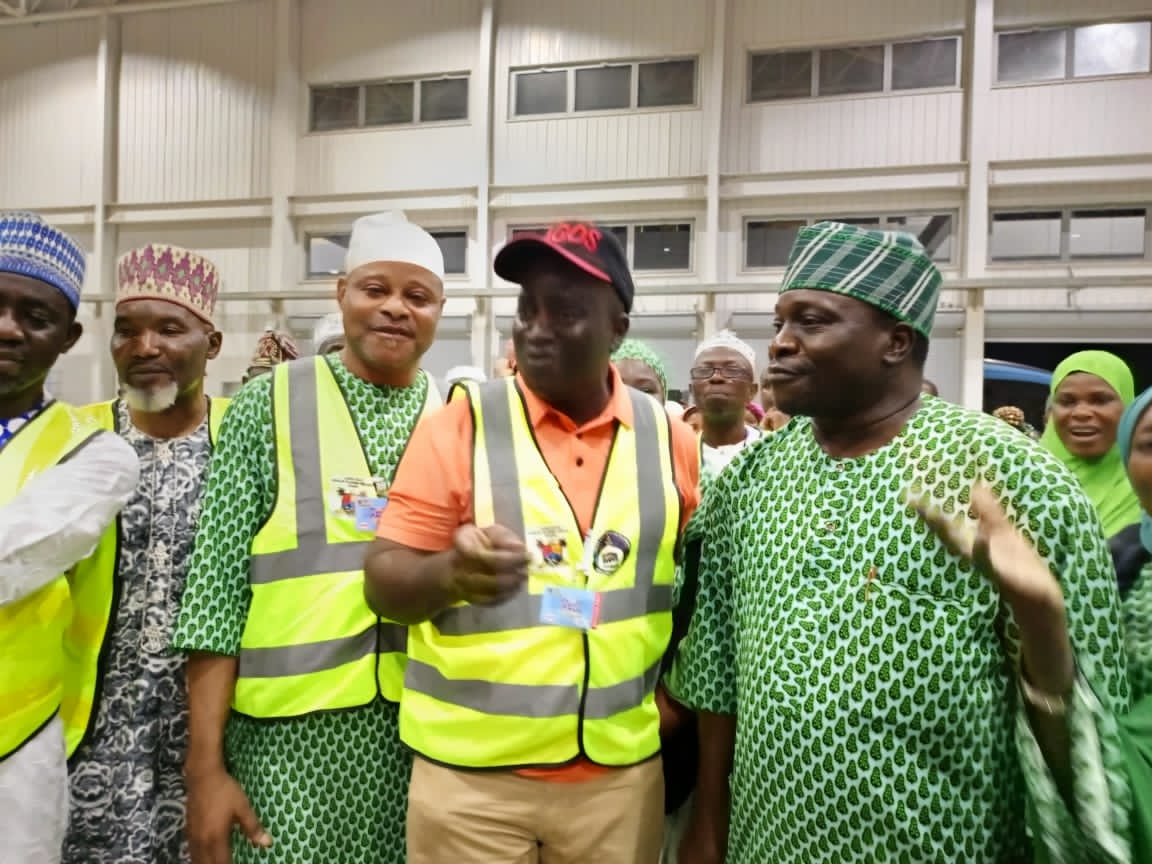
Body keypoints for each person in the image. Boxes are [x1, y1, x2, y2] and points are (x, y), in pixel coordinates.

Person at [669, 221, 1131, 864]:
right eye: (779, 322)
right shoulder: (751, 477)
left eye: (812, 321)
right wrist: (708, 827)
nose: (779, 344)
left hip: (947, 843)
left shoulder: (1014, 477)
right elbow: (718, 672)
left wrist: (1039, 621)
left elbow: (1092, 735)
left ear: (896, 342)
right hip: (764, 841)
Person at [365, 220, 701, 864]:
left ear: (618, 329)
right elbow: (383, 580)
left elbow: (690, 589)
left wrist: (673, 702)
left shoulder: (670, 441)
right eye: (527, 310)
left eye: (567, 312)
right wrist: (448, 576)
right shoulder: (459, 425)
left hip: (617, 780)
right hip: (471, 783)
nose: (537, 328)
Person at [173, 211, 447, 864]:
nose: (394, 309)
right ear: (342, 294)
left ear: (441, 310)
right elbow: (215, 595)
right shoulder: (268, 408)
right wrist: (205, 769)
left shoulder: (461, 416)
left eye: (417, 296)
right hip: (282, 749)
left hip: (421, 739)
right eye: (374, 289)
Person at [62, 244, 226, 864]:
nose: (145, 346)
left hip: (213, 729)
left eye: (169, 328)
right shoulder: (72, 439)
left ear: (210, 345)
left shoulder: (246, 438)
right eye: (126, 330)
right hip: (89, 728)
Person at [0, 212, 139, 864]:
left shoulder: (96, 455)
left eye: (35, 316)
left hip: (14, 749)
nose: (8, 327)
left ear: (68, 338)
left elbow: (13, 557)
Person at [1039, 350, 1142, 538]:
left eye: (1100, 400)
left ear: (1128, 407)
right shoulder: (1022, 481)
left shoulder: (1145, 484)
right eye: (1067, 401)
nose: (1081, 413)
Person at [690, 330, 761, 483]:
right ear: (692, 390)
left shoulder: (776, 450)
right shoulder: (676, 452)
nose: (716, 377)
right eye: (704, 370)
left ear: (752, 391)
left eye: (732, 370)